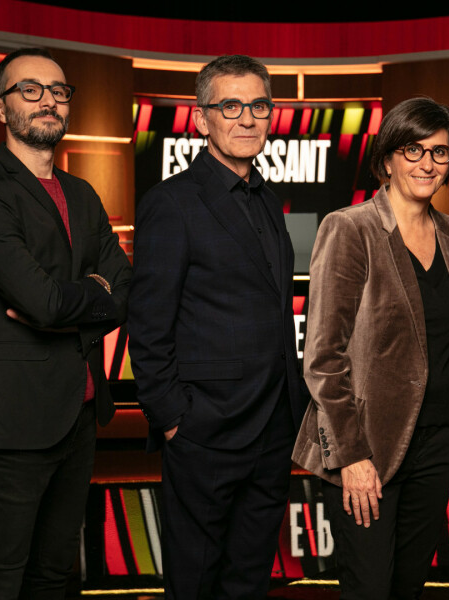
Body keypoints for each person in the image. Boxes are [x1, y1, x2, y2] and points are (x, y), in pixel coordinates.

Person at [0, 48, 132, 599]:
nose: (47, 100)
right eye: (29, 90)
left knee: (55, 576)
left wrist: (71, 303)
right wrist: (89, 294)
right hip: (14, 418)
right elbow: (45, 303)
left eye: (58, 91)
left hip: (80, 413)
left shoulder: (82, 194)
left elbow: (125, 287)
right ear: (0, 107)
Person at [128, 54, 308, 599]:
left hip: (273, 427)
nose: (247, 118)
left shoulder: (267, 199)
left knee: (249, 580)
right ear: (201, 118)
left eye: (259, 106)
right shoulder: (172, 202)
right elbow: (149, 324)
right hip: (205, 430)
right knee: (196, 581)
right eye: (230, 106)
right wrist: (174, 420)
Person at [292, 97, 449, 599]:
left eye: (439, 152)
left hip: (440, 440)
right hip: (368, 444)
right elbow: (323, 359)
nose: (426, 163)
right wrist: (351, 455)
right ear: (388, 158)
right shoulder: (350, 228)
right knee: (369, 587)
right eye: (412, 150)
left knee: (408, 585)